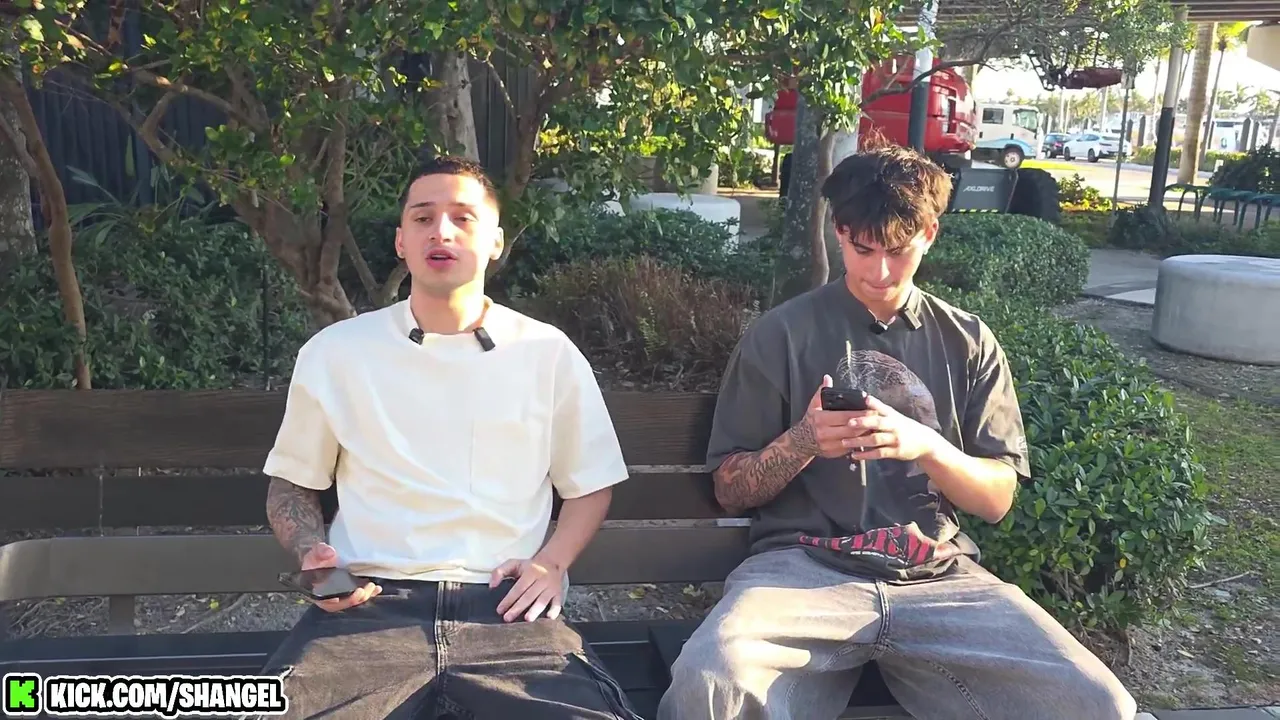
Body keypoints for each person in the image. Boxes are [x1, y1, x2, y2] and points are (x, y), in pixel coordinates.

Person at [656, 145, 1136, 720]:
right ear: (840, 232)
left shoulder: (968, 341)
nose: (879, 272)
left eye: (898, 250)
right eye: (863, 249)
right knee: (711, 681)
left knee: (1098, 702)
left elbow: (996, 499)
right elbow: (731, 490)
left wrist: (928, 446)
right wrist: (803, 440)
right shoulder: (780, 335)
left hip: (939, 577)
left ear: (929, 233)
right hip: (800, 571)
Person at [257, 155, 642, 720]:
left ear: (495, 242)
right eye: (422, 217)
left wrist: (551, 563)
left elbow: (590, 483)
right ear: (401, 241)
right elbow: (292, 486)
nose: (441, 231)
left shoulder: (547, 352)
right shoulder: (336, 353)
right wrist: (314, 557)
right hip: (368, 609)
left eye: (463, 217)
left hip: (507, 611)